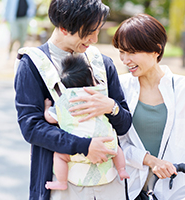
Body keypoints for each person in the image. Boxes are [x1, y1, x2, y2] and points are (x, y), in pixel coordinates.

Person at [14, 0, 132, 199]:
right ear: (63, 27)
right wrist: (85, 146)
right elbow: (31, 128)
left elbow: (124, 124)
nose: (94, 39)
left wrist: (112, 107)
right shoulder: (33, 65)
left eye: (98, 30)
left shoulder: (102, 63)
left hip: (110, 183)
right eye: (88, 32)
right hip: (62, 187)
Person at [113, 14, 185, 200]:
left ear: (156, 50)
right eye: (121, 52)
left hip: (175, 186)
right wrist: (149, 160)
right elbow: (116, 142)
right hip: (132, 186)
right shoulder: (120, 86)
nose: (125, 60)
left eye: (131, 52)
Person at [43, 54, 129, 191]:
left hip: (77, 148)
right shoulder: (99, 96)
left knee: (59, 156)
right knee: (117, 149)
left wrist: (47, 107)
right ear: (91, 80)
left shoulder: (64, 101)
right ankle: (122, 169)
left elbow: (50, 118)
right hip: (106, 144)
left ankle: (61, 181)